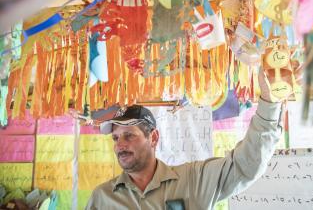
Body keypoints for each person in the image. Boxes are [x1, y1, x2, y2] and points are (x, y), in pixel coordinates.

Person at [86, 68, 285, 210]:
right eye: (115, 138)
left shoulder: (194, 179)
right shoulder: (101, 197)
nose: (120, 145)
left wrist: (269, 101)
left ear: (153, 137)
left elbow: (245, 166)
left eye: (129, 135)